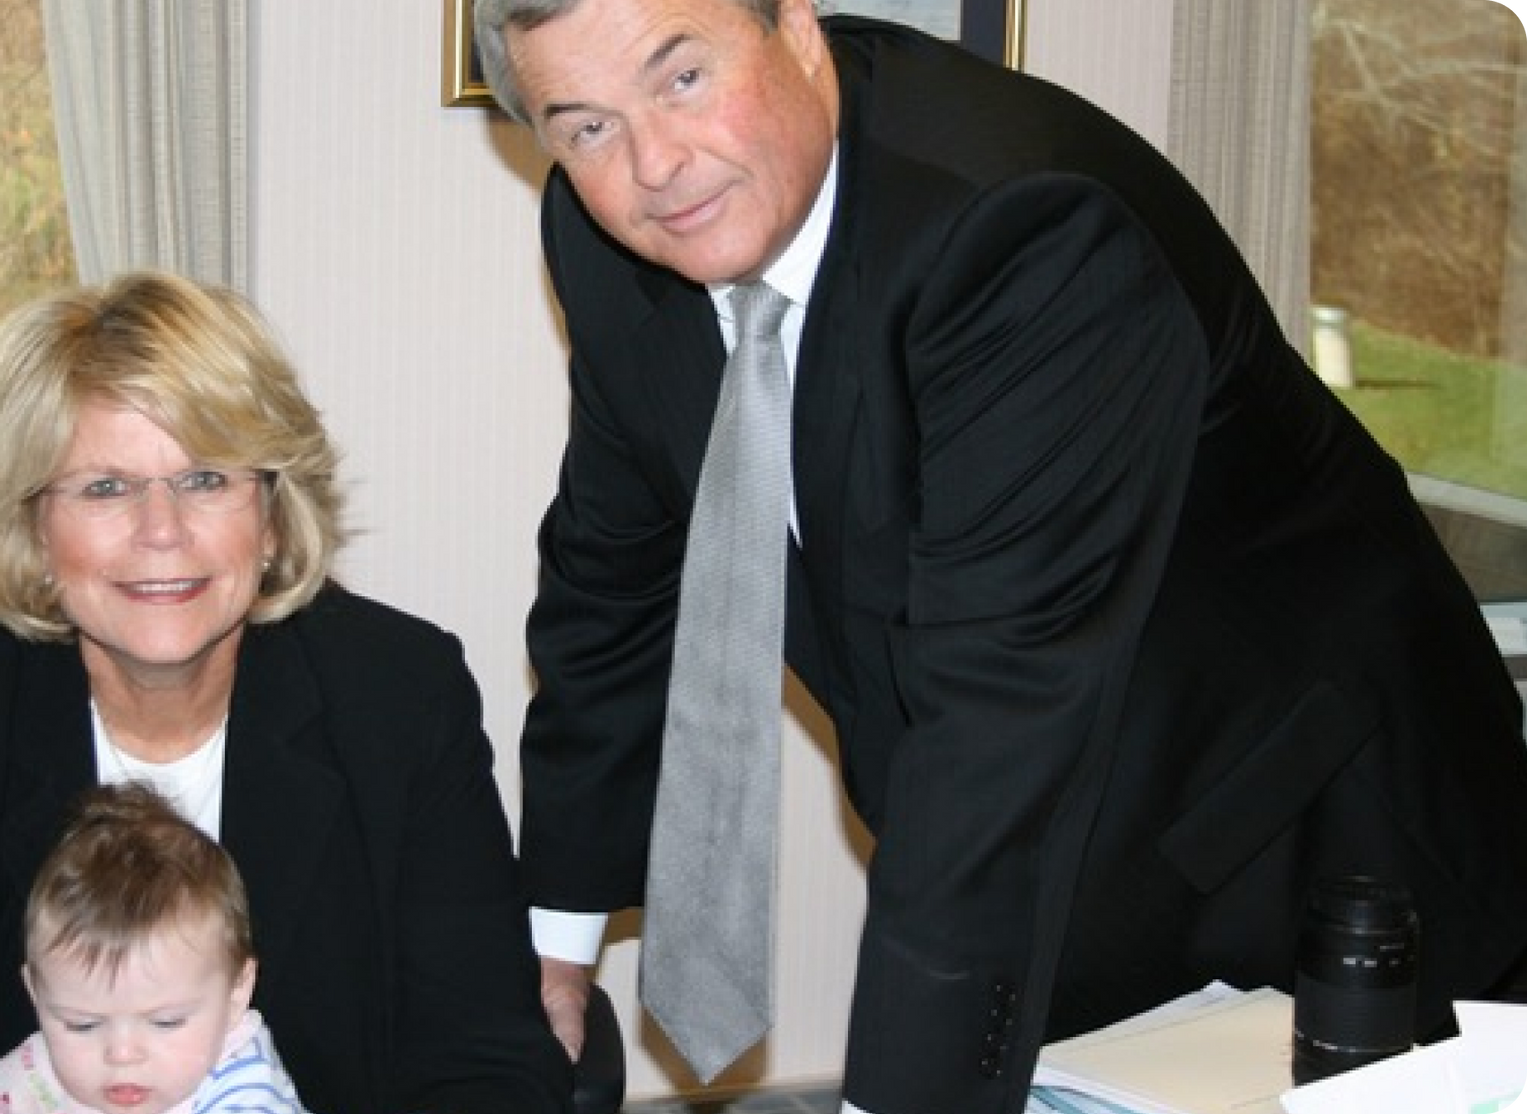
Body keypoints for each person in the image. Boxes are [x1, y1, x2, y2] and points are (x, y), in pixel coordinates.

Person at [469, 1, 1527, 1112]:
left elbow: (998, 712)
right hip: (1035, 857)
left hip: (1318, 845)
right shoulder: (598, 234)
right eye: (585, 126)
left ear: (796, 28)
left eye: (682, 79)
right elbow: (614, 577)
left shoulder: (1021, 230)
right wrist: (555, 947)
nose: (655, 164)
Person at [0, 271, 573, 1114]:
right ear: (35, 531)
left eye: (207, 479)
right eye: (105, 487)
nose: (162, 531)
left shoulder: (400, 699)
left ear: (273, 516)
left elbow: (484, 1058)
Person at [0, 781, 306, 1114]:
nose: (122, 1055)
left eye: (166, 1022)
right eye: (82, 1025)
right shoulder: (30, 1075)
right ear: (36, 992)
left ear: (236, 993)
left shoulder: (249, 1095)